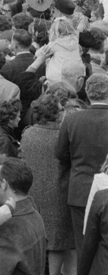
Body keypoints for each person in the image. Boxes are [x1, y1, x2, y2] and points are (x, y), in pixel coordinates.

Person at [20, 94, 75, 275]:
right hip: (58, 189)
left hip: (32, 190)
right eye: (61, 109)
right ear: (55, 113)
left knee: (36, 237)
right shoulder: (64, 135)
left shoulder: (29, 133)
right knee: (56, 238)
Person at [56, 72, 108, 255]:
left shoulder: (72, 119)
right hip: (103, 188)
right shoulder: (73, 119)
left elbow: (60, 153)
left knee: (83, 243)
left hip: (80, 189)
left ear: (87, 91)